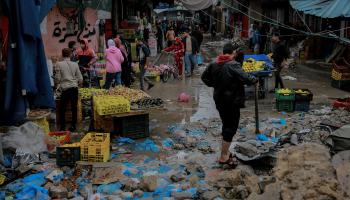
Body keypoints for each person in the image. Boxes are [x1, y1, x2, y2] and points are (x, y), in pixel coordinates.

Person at [201, 43, 257, 167]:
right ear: (233, 53)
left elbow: (204, 77)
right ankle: (223, 157)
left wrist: (215, 85)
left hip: (219, 100)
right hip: (231, 101)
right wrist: (254, 79)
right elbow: (246, 78)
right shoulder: (233, 65)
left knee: (226, 125)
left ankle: (225, 152)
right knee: (231, 127)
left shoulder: (214, 64)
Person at [55, 48, 83, 132]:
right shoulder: (75, 64)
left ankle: (62, 127)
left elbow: (57, 78)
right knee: (74, 107)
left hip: (65, 89)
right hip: (74, 88)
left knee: (62, 108)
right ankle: (73, 126)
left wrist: (57, 82)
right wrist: (78, 84)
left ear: (62, 54)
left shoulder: (59, 64)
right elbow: (80, 78)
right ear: (70, 55)